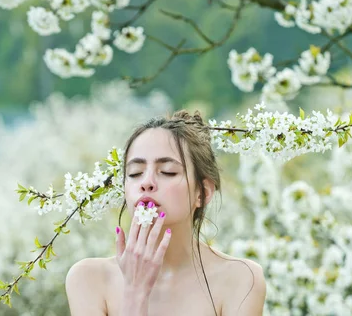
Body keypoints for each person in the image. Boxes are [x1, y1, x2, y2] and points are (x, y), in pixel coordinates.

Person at [65, 110, 266, 315]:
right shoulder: (88, 280)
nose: (147, 183)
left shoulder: (241, 279)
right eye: (135, 173)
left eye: (168, 171)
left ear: (203, 193)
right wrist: (135, 293)